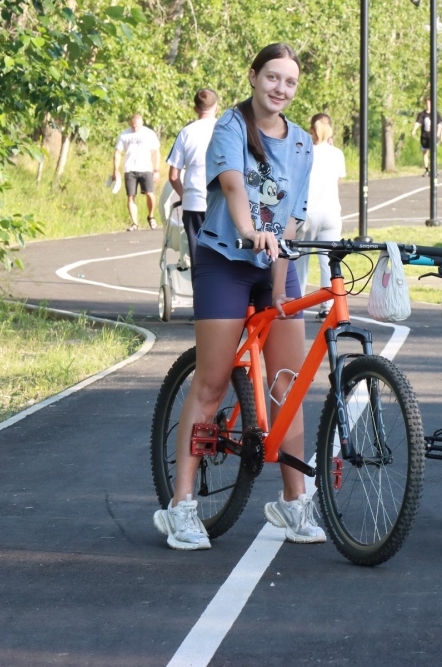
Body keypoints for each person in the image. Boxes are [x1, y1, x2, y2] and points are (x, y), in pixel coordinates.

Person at [151, 43, 323, 551]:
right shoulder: (229, 125)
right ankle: (181, 505)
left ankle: (294, 502)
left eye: (289, 82)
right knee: (212, 381)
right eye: (272, 78)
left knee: (287, 385)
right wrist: (250, 233)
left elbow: (292, 220)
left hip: (276, 263)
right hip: (226, 258)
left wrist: (279, 286)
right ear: (253, 76)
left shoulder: (302, 143)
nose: (280, 89)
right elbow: (233, 188)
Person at [296, 113, 346, 317]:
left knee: (300, 260)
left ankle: (297, 303)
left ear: (311, 131)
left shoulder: (304, 152)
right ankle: (327, 305)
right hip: (331, 211)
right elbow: (338, 180)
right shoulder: (337, 154)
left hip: (308, 211)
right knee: (328, 261)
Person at [166, 89, 220, 265]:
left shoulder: (186, 132)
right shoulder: (226, 130)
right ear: (217, 107)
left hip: (194, 202)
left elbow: (173, 176)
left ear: (195, 109)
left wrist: (184, 196)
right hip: (222, 203)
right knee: (221, 259)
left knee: (198, 258)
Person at [113, 114, 161, 231]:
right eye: (133, 125)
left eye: (137, 126)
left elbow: (156, 152)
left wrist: (156, 170)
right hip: (130, 169)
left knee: (150, 194)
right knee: (131, 196)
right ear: (130, 123)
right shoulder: (124, 134)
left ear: (142, 123)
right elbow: (118, 152)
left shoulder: (149, 134)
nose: (135, 128)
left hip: (146, 168)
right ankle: (135, 223)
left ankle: (151, 216)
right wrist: (116, 170)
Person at [412, 97, 441, 176]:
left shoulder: (436, 113)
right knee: (425, 153)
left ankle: (433, 170)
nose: (428, 105)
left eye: (430, 103)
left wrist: (438, 134)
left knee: (433, 153)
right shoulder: (422, 114)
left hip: (433, 136)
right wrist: (414, 130)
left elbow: (439, 125)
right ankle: (427, 170)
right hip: (424, 136)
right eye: (427, 103)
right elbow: (418, 122)